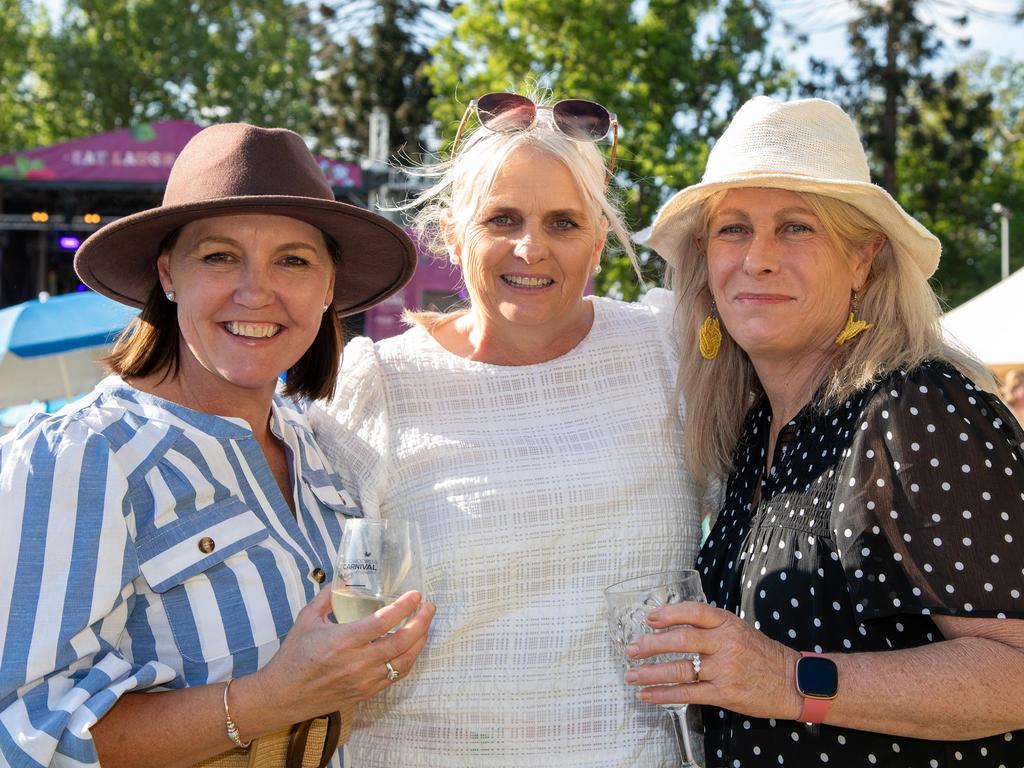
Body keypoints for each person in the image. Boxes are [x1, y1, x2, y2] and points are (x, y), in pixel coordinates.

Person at [0, 123, 436, 768]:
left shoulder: (317, 448)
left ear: (326, 289)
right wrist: (271, 698)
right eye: (219, 256)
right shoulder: (82, 459)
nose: (255, 292)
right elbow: (22, 732)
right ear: (168, 274)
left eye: (293, 260)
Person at [622, 95, 1024, 767]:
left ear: (863, 259)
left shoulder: (914, 408)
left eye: (796, 228)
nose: (758, 259)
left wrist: (786, 679)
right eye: (733, 229)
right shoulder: (755, 430)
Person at [310, 91, 703, 766]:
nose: (531, 247)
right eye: (503, 218)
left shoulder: (668, 351)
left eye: (563, 222)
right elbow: (323, 610)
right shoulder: (380, 386)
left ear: (599, 240)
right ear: (454, 236)